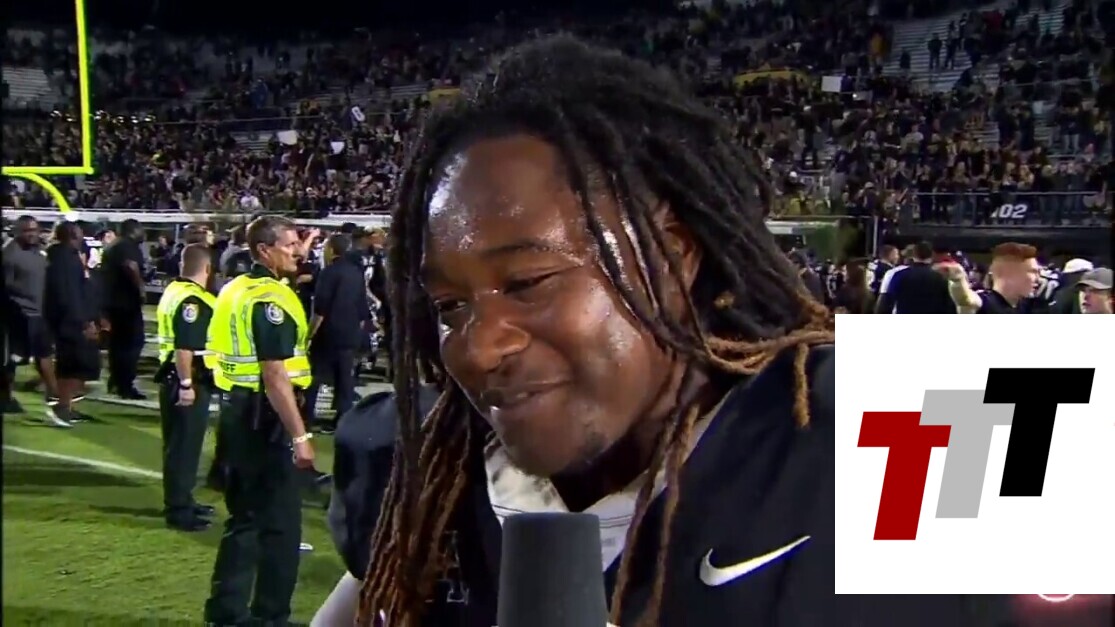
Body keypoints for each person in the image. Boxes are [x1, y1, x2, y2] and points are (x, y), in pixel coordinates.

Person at [329, 36, 1001, 627]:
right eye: (449, 306)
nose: (477, 348)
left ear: (672, 254)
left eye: (529, 282)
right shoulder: (424, 471)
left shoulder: (932, 419)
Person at [203, 215, 316, 626]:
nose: (298, 251)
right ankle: (270, 616)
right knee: (282, 526)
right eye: (290, 244)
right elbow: (274, 375)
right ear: (265, 251)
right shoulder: (270, 299)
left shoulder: (235, 288)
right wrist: (300, 435)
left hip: (236, 410)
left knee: (244, 519)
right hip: (265, 418)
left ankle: (225, 613)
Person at [155, 243, 218, 532]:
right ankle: (179, 510)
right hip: (185, 378)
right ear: (207, 268)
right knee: (184, 448)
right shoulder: (192, 300)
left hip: (174, 377)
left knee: (180, 446)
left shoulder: (174, 291)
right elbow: (185, 347)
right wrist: (186, 384)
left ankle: (184, 500)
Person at [304, 233, 370, 433]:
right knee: (345, 380)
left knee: (314, 377)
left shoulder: (329, 272)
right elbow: (362, 307)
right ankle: (342, 420)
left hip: (328, 334)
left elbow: (321, 309)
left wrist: (309, 336)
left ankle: (306, 418)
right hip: (350, 333)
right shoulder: (356, 272)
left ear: (332, 249)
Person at [1, 215, 61, 416]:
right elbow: (6, 287)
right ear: (17, 231)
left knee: (44, 354)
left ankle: (54, 395)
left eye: (34, 230)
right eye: (27, 230)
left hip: (40, 313)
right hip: (19, 315)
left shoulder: (40, 251)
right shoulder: (9, 255)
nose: (32, 234)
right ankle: (6, 397)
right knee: (12, 359)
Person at [43, 222, 101, 427]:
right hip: (71, 322)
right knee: (74, 365)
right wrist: (84, 322)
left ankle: (65, 405)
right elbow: (70, 294)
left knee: (77, 365)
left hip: (71, 320)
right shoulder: (65, 258)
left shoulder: (64, 256)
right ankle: (61, 406)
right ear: (73, 235)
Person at [101, 218, 148, 399]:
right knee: (132, 344)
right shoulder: (127, 245)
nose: (143, 233)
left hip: (113, 302)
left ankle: (116, 381)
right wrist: (141, 288)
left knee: (117, 345)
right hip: (125, 303)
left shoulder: (114, 245)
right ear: (133, 230)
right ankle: (124, 384)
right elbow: (131, 266)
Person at [945, 242, 1041, 314]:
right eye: (1032, 271)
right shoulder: (985, 302)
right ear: (1008, 272)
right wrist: (958, 280)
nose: (1038, 278)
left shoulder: (1027, 306)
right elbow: (966, 300)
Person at [874, 241, 956, 314]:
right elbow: (948, 306)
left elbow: (887, 302)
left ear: (914, 255)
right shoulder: (941, 278)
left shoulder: (899, 275)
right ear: (932, 256)